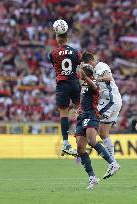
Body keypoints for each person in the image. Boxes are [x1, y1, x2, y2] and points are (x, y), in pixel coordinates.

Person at [75, 64, 119, 189]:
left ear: (86, 73)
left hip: (92, 114)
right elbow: (85, 99)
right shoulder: (83, 84)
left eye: (81, 72)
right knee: (80, 148)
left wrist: (87, 77)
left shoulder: (93, 82)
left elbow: (94, 88)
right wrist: (79, 108)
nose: (79, 73)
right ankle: (92, 177)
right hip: (83, 116)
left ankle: (112, 163)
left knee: (92, 141)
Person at [81, 51, 122, 168]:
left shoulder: (101, 66)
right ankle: (113, 163)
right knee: (103, 133)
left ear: (89, 62)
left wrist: (96, 79)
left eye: (85, 64)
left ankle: (82, 152)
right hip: (108, 102)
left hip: (111, 101)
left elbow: (109, 77)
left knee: (88, 119)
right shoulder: (91, 71)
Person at [48, 20, 81, 156]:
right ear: (67, 38)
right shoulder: (75, 52)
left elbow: (55, 65)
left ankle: (66, 143)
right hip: (74, 82)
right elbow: (80, 65)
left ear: (57, 38)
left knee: (64, 112)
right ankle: (82, 136)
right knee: (80, 108)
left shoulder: (52, 53)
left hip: (62, 84)